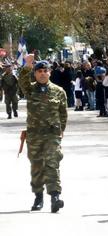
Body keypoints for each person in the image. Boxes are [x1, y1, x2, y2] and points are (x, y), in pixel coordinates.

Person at [18, 54, 67, 213]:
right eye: (39, 71)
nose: (42, 73)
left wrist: (61, 131)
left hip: (52, 135)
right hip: (34, 135)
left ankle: (55, 197)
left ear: (50, 73)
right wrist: (27, 65)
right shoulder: (30, 89)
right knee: (37, 166)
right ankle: (38, 196)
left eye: (45, 71)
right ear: (35, 73)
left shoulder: (59, 91)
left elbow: (63, 114)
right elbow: (22, 81)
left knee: (52, 163)